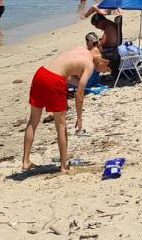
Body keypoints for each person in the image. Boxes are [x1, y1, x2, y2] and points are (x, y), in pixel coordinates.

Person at [22, 42, 111, 172]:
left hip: (41, 73)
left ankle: (25, 161)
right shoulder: (89, 65)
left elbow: (67, 75)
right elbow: (79, 95)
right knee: (61, 126)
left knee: (33, 121)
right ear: (105, 62)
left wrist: (83, 85)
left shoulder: (80, 49)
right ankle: (64, 166)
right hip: (55, 80)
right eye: (106, 70)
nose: (103, 72)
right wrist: (79, 118)